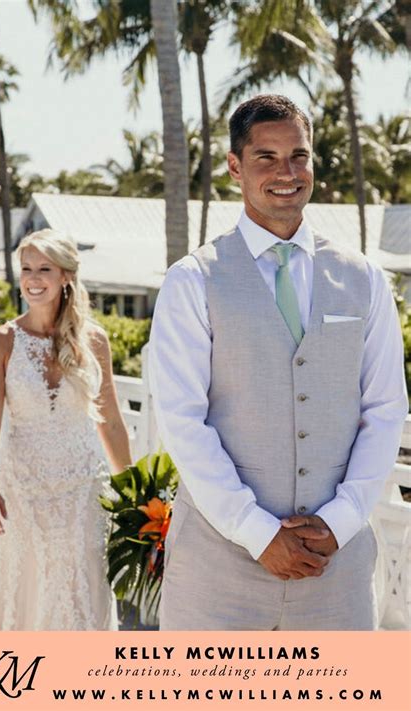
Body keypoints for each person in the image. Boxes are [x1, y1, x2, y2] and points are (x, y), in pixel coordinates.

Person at [148, 94, 408, 630]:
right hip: (218, 570)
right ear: (235, 167)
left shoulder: (364, 277)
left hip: (336, 565)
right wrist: (256, 531)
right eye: (266, 157)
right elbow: (181, 420)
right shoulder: (193, 280)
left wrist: (340, 521)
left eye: (300, 156)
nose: (286, 172)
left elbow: (385, 408)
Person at [0, 229, 132, 630]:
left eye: (45, 268)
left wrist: (131, 490)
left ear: (66, 276)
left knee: (81, 588)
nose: (33, 278)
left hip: (83, 488)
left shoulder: (93, 341)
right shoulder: (1, 342)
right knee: (24, 587)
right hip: (21, 489)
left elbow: (110, 420)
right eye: (26, 268)